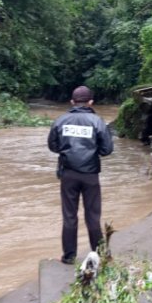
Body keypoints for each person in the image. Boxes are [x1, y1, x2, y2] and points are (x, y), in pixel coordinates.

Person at [48, 86, 114, 265]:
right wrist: (92, 152)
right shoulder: (97, 121)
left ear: (72, 102)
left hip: (68, 174)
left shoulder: (61, 120)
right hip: (90, 175)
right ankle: (99, 254)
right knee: (92, 216)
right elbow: (107, 149)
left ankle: (69, 256)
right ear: (91, 102)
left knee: (69, 216)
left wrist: (67, 152)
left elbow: (53, 146)